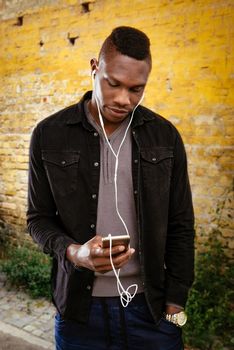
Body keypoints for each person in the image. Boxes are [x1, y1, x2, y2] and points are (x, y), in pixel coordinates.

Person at [27, 26, 195, 350]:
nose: (123, 99)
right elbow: (38, 219)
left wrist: (176, 304)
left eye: (136, 89)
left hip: (152, 312)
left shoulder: (165, 137)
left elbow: (181, 225)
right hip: (79, 312)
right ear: (94, 68)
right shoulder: (49, 134)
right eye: (113, 83)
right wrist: (74, 253)